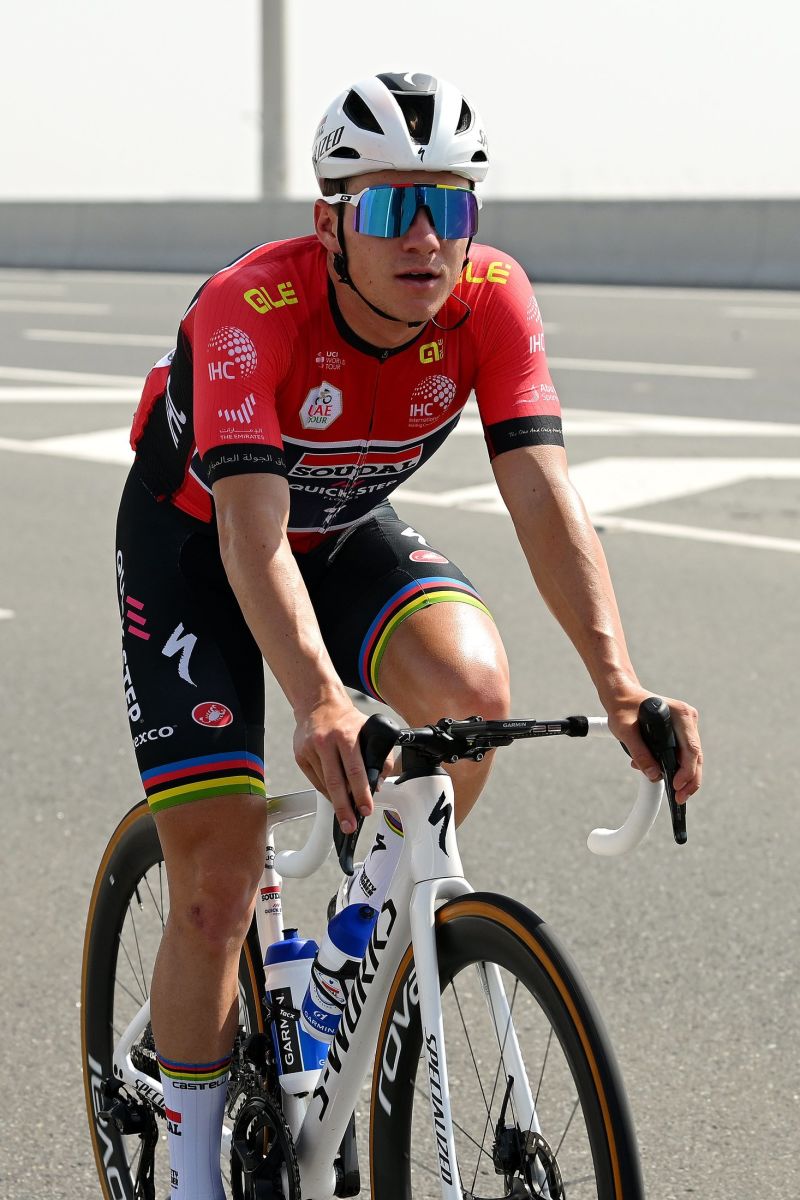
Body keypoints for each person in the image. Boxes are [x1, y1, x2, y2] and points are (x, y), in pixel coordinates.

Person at [115, 71, 702, 1199]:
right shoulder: (250, 310)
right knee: (216, 884)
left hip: (340, 529)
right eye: (391, 206)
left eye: (450, 204)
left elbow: (542, 493)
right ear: (330, 222)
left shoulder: (492, 298)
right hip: (199, 544)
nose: (425, 236)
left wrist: (621, 685)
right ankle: (189, 1172)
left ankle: (354, 938)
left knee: (471, 700)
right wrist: (318, 698)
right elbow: (249, 536)